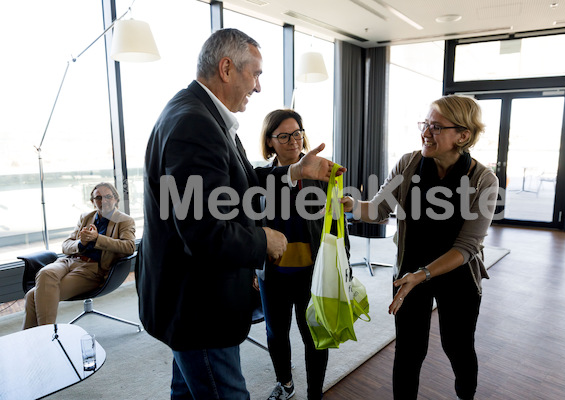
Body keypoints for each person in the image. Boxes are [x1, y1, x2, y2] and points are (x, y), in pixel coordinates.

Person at [137, 29, 343, 400]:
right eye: (257, 74)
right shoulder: (194, 124)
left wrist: (295, 171)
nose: (259, 87)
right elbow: (204, 230)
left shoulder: (202, 115)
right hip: (199, 308)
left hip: (190, 303)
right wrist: (264, 239)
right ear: (227, 68)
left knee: (187, 393)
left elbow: (245, 179)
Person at [341, 95, 499, 400]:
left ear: (463, 136)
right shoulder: (409, 163)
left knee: (457, 347)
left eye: (436, 127)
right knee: (409, 352)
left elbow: (466, 247)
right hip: (408, 273)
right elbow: (378, 210)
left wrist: (423, 274)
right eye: (425, 124)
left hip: (457, 275)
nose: (426, 132)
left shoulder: (482, 180)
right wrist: (349, 206)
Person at [255, 109, 350, 400]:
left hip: (313, 271)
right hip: (274, 273)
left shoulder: (323, 173)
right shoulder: (259, 178)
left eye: (297, 133)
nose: (293, 140)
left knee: (314, 337)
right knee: (276, 334)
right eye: (283, 135)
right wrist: (250, 268)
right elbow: (250, 224)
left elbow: (337, 224)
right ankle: (285, 384)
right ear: (270, 141)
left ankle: (314, 393)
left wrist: (344, 264)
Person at [23, 182, 135, 329]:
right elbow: (65, 245)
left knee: (33, 296)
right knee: (45, 272)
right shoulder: (85, 217)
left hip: (92, 269)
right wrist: (80, 243)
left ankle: (45, 336)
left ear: (115, 198)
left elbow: (129, 247)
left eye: (108, 196)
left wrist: (97, 238)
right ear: (93, 201)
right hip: (69, 261)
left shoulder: (124, 220)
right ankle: (39, 338)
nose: (104, 201)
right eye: (98, 197)